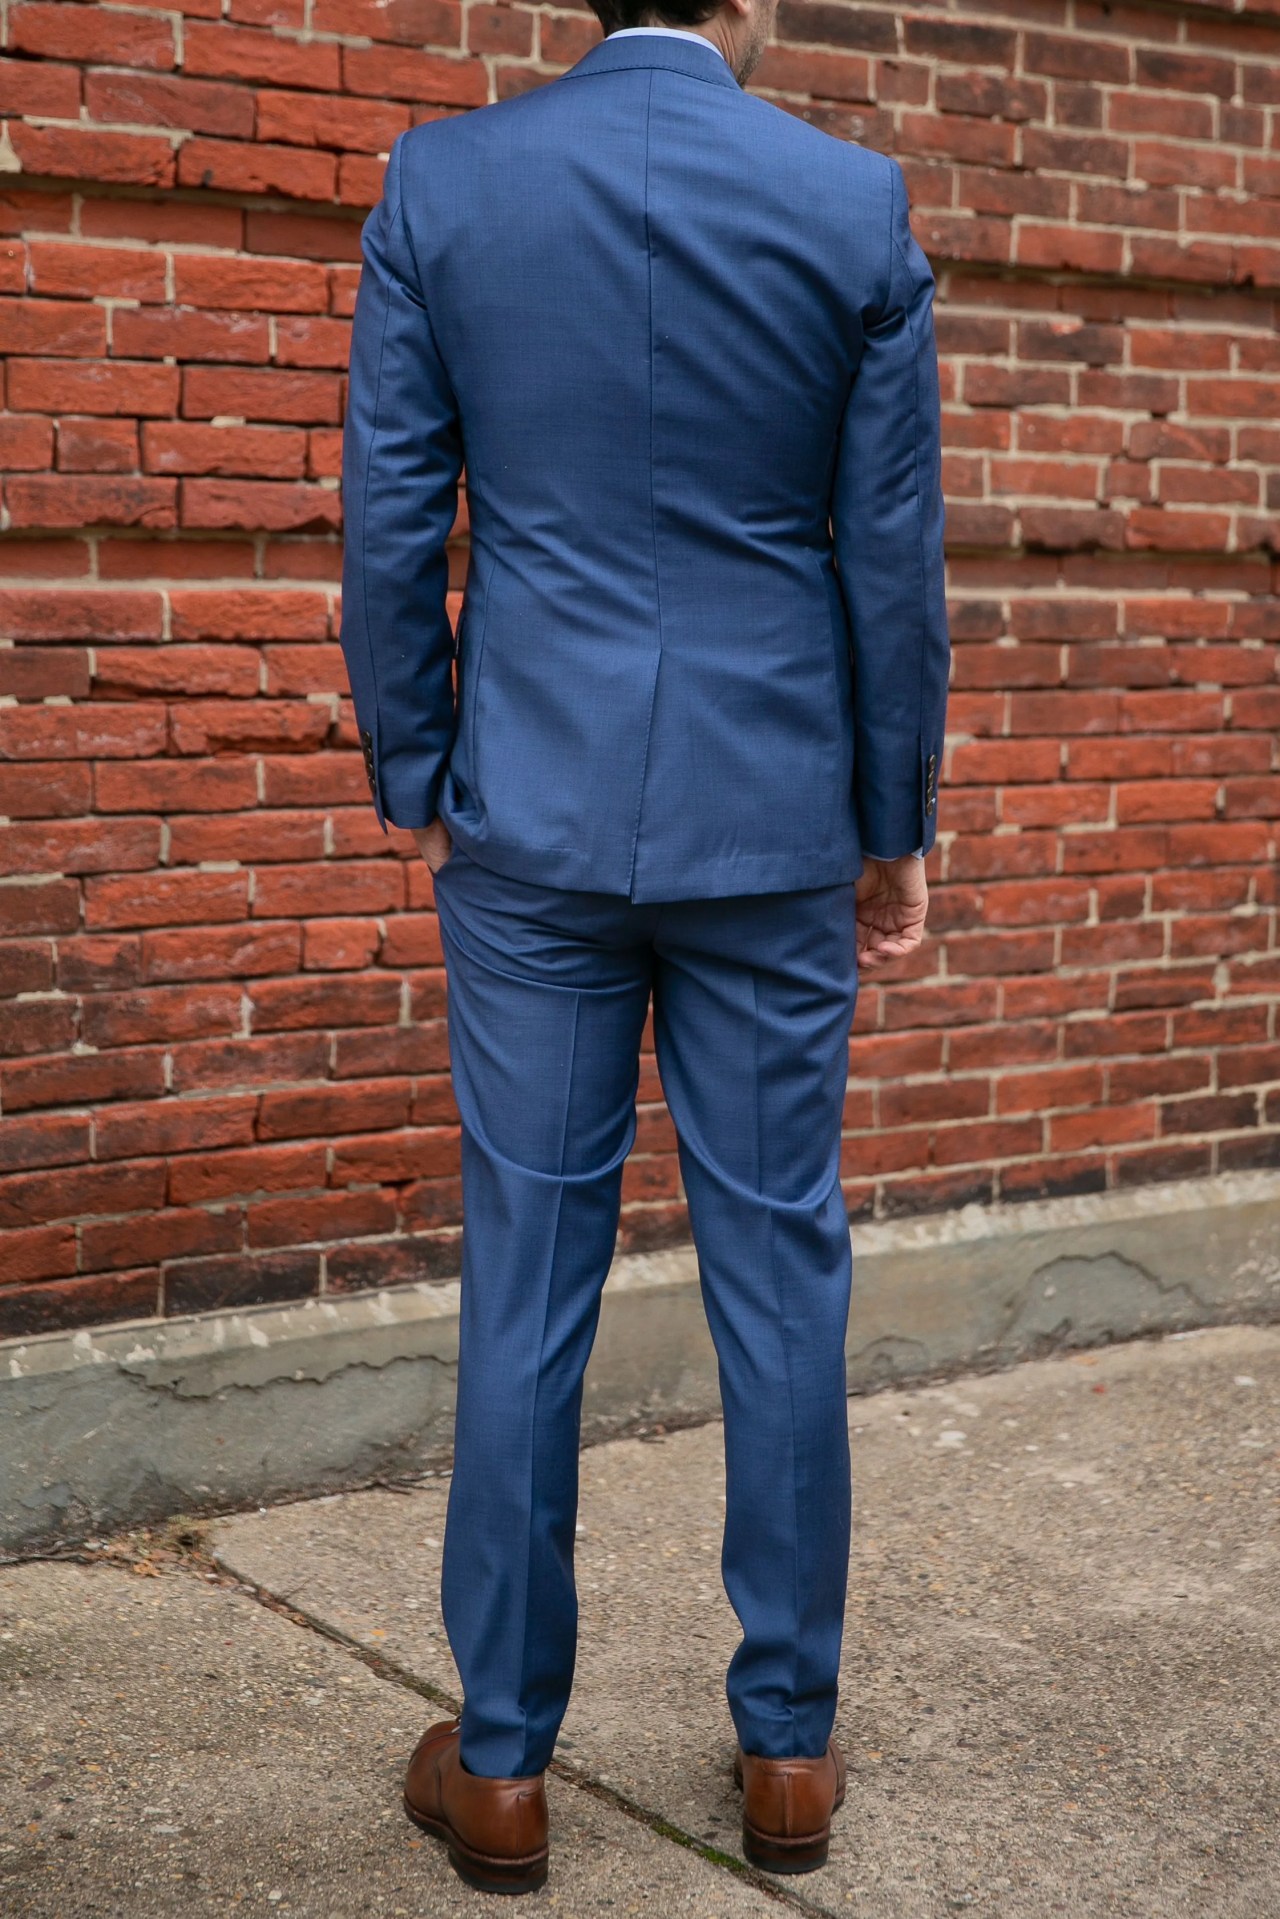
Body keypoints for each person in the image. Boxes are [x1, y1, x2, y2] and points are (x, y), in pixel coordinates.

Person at [339, 0, 948, 1892]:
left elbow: (386, 523)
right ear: (750, 2)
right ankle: (787, 1751)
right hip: (772, 830)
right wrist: (892, 819)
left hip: (533, 813)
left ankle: (505, 1764)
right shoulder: (852, 204)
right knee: (782, 1270)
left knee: (528, 1273)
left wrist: (419, 763)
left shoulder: (450, 182)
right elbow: (891, 554)